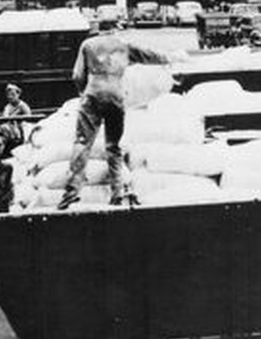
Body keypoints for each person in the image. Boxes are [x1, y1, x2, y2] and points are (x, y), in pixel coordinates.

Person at [58, 16, 180, 209]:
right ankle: (117, 192)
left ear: (99, 28)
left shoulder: (88, 44)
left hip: (93, 91)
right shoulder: (123, 45)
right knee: (114, 146)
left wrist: (84, 93)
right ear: (115, 28)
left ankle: (71, 192)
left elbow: (77, 75)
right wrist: (168, 57)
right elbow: (147, 55)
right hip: (116, 94)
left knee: (83, 143)